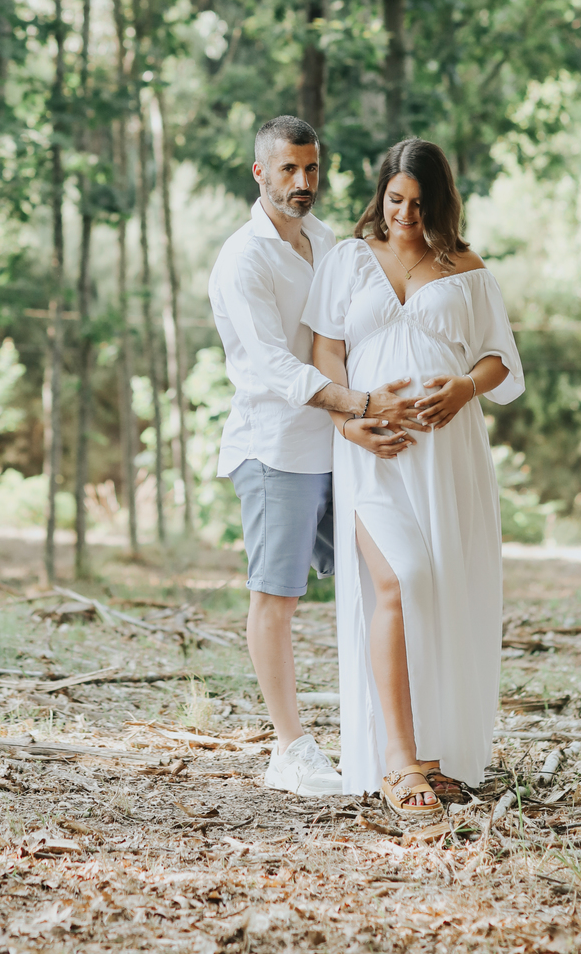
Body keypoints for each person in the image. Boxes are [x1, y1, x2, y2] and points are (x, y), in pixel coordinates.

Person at [302, 137, 523, 827]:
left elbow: (498, 359)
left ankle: (434, 754)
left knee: (442, 590)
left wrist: (461, 388)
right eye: (396, 201)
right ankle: (397, 760)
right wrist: (349, 420)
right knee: (400, 580)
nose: (406, 215)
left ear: (440, 202)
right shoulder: (347, 259)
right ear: (381, 195)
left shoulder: (465, 266)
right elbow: (326, 350)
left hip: (448, 454)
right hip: (372, 449)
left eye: (420, 204)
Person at [209, 115, 420, 797]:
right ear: (259, 172)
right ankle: (290, 747)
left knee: (381, 579)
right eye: (288, 169)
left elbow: (344, 337)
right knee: (277, 596)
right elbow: (273, 367)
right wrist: (359, 405)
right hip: (276, 449)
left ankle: (383, 737)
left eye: (312, 169)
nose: (303, 183)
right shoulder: (243, 259)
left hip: (340, 446)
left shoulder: (329, 242)